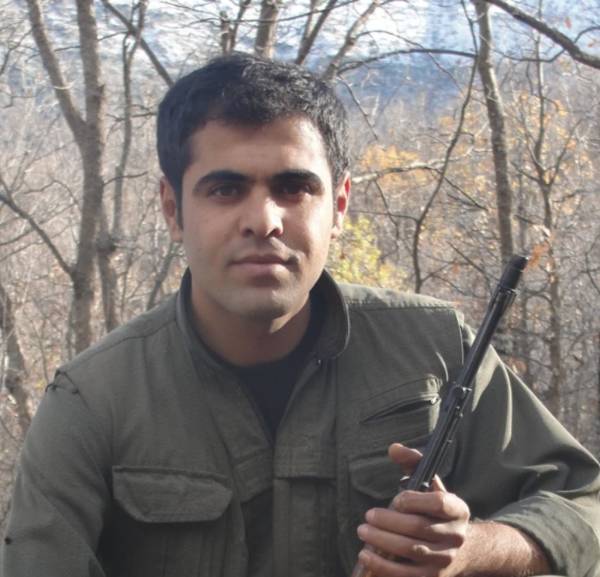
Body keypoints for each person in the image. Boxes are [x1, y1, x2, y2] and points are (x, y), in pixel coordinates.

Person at [1, 52, 599, 577]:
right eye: (225, 189)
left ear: (338, 205)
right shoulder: (94, 400)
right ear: (172, 209)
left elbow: (586, 505)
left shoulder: (436, 347)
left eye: (294, 188)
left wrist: (474, 549)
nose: (264, 221)